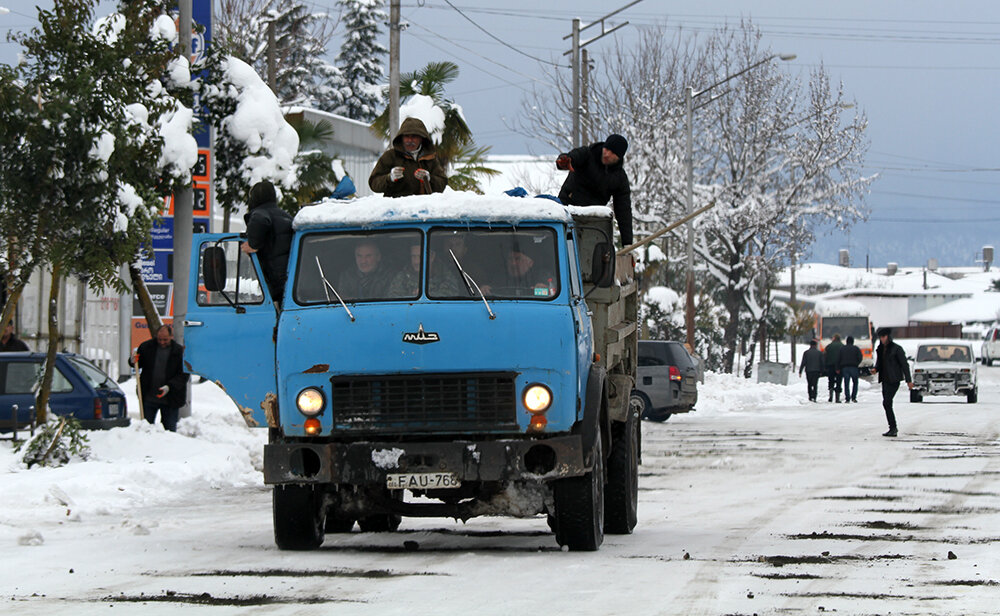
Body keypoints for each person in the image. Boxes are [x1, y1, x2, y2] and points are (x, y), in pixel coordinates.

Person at [556, 134, 633, 245]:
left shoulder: (619, 178)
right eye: (606, 149)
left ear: (619, 157)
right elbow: (573, 156)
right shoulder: (587, 154)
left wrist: (627, 243)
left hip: (591, 220)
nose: (607, 154)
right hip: (566, 210)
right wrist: (565, 161)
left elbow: (624, 211)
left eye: (612, 153)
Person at [241, 180, 293, 303]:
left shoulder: (260, 213)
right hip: (289, 276)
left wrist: (253, 244)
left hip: (275, 277)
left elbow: (261, 220)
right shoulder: (285, 215)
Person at [368, 117, 448, 197]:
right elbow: (374, 183)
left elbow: (442, 184)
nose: (410, 140)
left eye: (414, 136)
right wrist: (390, 178)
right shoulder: (390, 156)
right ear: (401, 138)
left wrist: (429, 179)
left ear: (421, 138)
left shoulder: (430, 157)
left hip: (423, 206)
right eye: (406, 136)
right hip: (396, 207)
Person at [130, 325, 188, 432]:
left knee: (169, 431)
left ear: (171, 336)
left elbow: (184, 375)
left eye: (165, 340)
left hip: (171, 399)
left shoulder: (179, 352)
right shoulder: (146, 347)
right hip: (149, 397)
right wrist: (133, 360)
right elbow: (137, 363)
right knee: (146, 429)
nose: (162, 342)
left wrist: (169, 387)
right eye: (160, 339)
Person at [872, 327, 913, 437]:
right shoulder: (880, 349)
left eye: (883, 337)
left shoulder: (896, 349)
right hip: (885, 379)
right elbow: (879, 363)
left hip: (894, 379)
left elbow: (905, 365)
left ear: (888, 337)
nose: (882, 339)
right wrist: (875, 369)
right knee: (886, 403)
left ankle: (893, 428)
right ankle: (892, 428)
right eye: (880, 337)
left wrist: (909, 380)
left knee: (887, 402)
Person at [840, 335, 863, 403]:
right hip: (854, 367)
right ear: (853, 341)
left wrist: (839, 367)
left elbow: (839, 358)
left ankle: (847, 398)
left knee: (846, 383)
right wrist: (857, 363)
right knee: (855, 382)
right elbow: (860, 357)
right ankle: (853, 397)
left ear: (846, 341)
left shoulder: (842, 348)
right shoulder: (856, 348)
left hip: (845, 368)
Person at [823, 333, 844, 402]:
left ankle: (831, 396)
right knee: (838, 381)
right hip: (839, 367)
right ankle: (837, 398)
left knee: (831, 381)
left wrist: (825, 366)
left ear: (834, 338)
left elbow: (825, 356)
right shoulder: (842, 346)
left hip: (830, 366)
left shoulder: (829, 346)